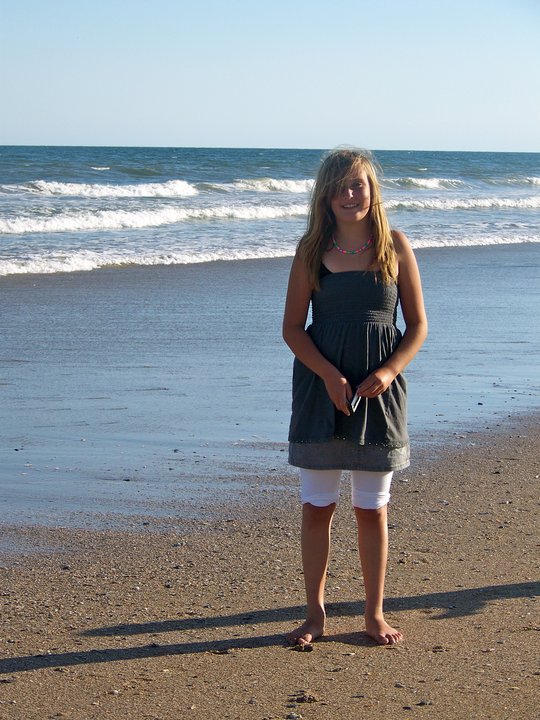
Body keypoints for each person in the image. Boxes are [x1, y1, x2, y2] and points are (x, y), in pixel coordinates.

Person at [282, 148, 427, 647]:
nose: (349, 194)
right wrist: (327, 375)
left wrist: (388, 370)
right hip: (321, 390)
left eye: (358, 184)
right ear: (325, 195)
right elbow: (292, 329)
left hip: (379, 392)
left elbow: (417, 326)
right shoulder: (310, 250)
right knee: (317, 506)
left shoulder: (395, 245)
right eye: (339, 187)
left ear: (372, 189)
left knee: (372, 509)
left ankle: (374, 614)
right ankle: (314, 615)